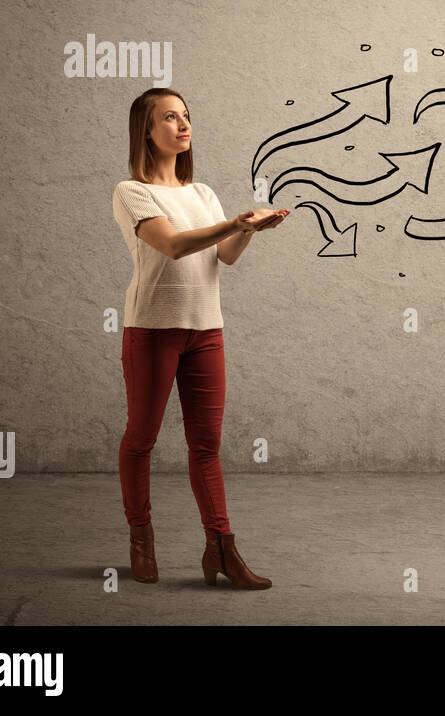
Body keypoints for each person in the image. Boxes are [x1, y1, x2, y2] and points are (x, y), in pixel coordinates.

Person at [111, 88, 291, 589]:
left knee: (206, 445)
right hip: (151, 330)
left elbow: (224, 256)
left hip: (206, 330)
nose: (182, 125)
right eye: (169, 118)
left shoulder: (202, 193)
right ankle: (141, 537)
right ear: (147, 131)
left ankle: (220, 548)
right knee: (142, 438)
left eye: (186, 116)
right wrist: (232, 222)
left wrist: (250, 228)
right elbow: (171, 245)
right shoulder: (131, 192)